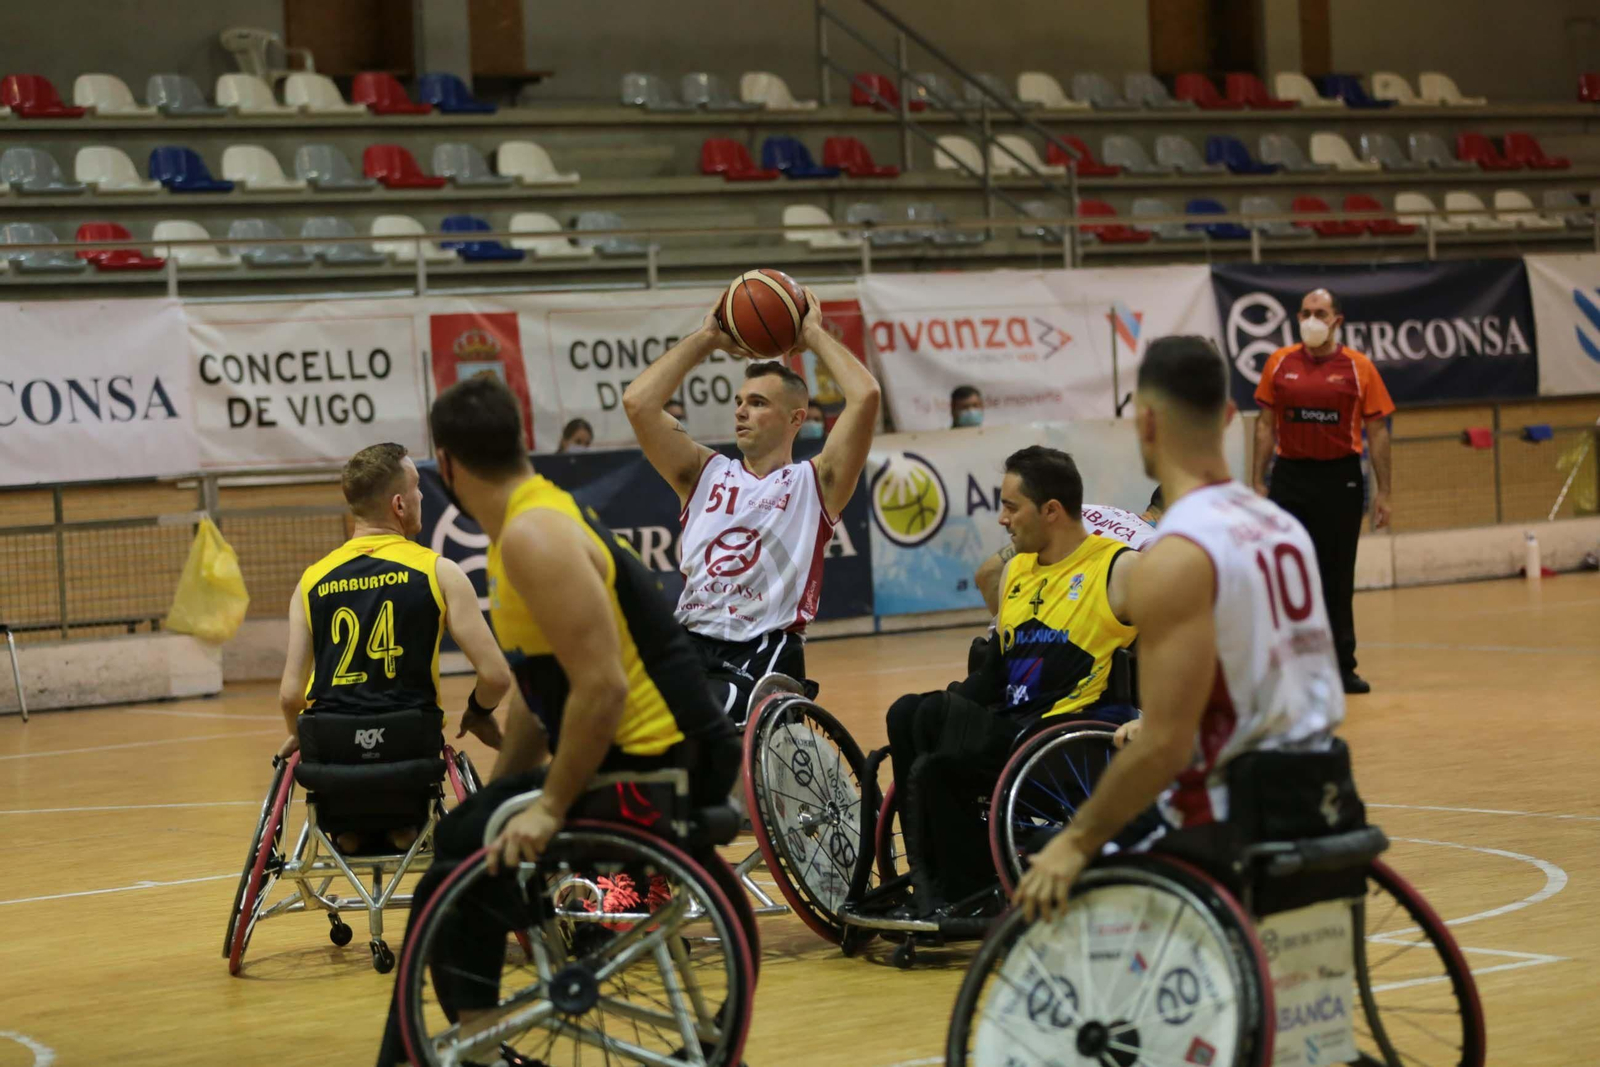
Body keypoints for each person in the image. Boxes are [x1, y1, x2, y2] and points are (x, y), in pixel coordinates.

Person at [374, 376, 744, 1067]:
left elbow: (600, 690)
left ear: (445, 464)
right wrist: (503, 791)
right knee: (467, 827)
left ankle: (472, 1044)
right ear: (522, 440)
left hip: (663, 763)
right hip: (649, 753)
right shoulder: (537, 515)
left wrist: (547, 804)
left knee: (449, 878)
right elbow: (547, 699)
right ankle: (474, 1033)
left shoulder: (532, 536)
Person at [1016, 335, 1346, 920]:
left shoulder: (1175, 553)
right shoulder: (1282, 526)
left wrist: (1074, 842)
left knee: (1056, 866)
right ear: (1226, 418)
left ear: (1145, 423)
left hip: (1231, 813)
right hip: (1325, 792)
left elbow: (1166, 746)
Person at [886, 446, 1140, 917]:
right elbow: (995, 673)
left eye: (1010, 506)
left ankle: (949, 887)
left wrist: (1155, 718)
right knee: (912, 722)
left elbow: (1178, 642)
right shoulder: (1016, 571)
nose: (1001, 520)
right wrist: (952, 700)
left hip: (1064, 737)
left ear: (1051, 511)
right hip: (1012, 725)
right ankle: (945, 885)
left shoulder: (1118, 569)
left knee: (928, 734)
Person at [621, 289, 879, 721]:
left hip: (762, 649)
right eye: (739, 402)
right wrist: (706, 338)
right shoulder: (703, 471)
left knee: (698, 717)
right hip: (690, 639)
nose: (741, 412)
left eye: (757, 403)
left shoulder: (816, 481)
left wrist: (812, 333)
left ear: (796, 419)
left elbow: (866, 396)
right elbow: (638, 403)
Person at [277, 442, 512, 852]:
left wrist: (300, 736)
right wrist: (478, 712)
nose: (423, 496)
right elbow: (495, 675)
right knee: (410, 795)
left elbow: (289, 695)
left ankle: (348, 831)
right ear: (400, 504)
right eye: (418, 487)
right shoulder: (438, 572)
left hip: (337, 759)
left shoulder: (311, 581)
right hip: (410, 754)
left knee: (343, 796)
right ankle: (407, 827)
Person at [1253, 288, 1393, 695]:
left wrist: (1385, 492)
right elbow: (1264, 424)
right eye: (1306, 312)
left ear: (1337, 320)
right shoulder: (1279, 363)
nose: (1313, 319)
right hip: (1290, 477)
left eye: (1321, 312)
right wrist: (1258, 480)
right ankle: (1285, 666)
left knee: (1336, 578)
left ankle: (1341, 666)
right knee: (1284, 575)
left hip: (1341, 478)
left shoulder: (1358, 367)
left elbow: (1378, 431)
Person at [974, 493, 1158, 615]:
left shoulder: (1080, 512)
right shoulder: (1155, 543)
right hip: (1078, 659)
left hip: (1011, 658)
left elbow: (988, 572)